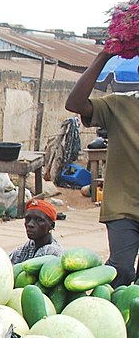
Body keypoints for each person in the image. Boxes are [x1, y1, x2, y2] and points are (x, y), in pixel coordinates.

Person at [66, 48, 139, 286]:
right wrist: (103, 56)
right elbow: (75, 103)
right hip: (123, 207)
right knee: (121, 271)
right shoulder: (120, 105)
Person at [9, 198, 63, 264]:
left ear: (51, 225)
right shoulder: (28, 247)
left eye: (39, 220)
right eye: (28, 219)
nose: (30, 224)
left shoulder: (53, 254)